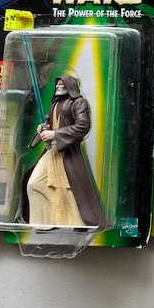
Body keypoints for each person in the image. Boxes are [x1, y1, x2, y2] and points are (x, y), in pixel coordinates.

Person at [25, 76, 102, 227]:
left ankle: (76, 223)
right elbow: (50, 123)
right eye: (58, 84)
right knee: (34, 184)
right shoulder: (55, 103)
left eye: (62, 84)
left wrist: (55, 134)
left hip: (67, 152)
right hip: (52, 152)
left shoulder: (79, 102)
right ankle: (43, 222)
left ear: (70, 85)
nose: (59, 86)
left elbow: (82, 126)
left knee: (69, 189)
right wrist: (43, 129)